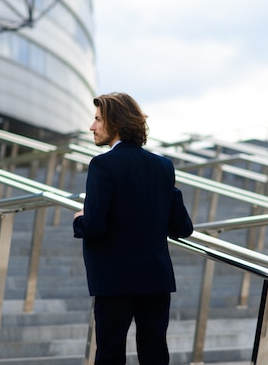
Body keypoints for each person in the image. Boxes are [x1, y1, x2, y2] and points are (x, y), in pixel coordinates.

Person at [73, 92, 194, 365]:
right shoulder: (163, 165)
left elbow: (93, 225)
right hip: (155, 278)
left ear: (115, 123)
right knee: (154, 355)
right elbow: (182, 227)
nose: (92, 127)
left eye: (97, 120)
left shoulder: (103, 164)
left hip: (115, 280)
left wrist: (79, 218)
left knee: (110, 354)